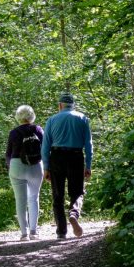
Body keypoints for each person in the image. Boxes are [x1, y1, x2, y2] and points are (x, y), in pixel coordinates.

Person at [41, 92, 93, 239]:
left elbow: (45, 146)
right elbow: (88, 144)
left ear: (60, 105)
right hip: (76, 156)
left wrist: (46, 168)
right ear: (73, 105)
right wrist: (88, 165)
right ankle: (74, 213)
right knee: (77, 191)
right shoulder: (82, 118)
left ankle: (61, 232)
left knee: (58, 195)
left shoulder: (52, 120)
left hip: (56, 157)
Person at [6, 105, 45, 241]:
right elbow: (45, 150)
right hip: (36, 166)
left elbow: (8, 154)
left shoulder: (14, 132)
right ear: (32, 116)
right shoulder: (38, 129)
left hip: (17, 165)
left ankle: (24, 234)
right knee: (34, 198)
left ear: (18, 117)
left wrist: (10, 167)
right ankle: (34, 232)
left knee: (20, 200)